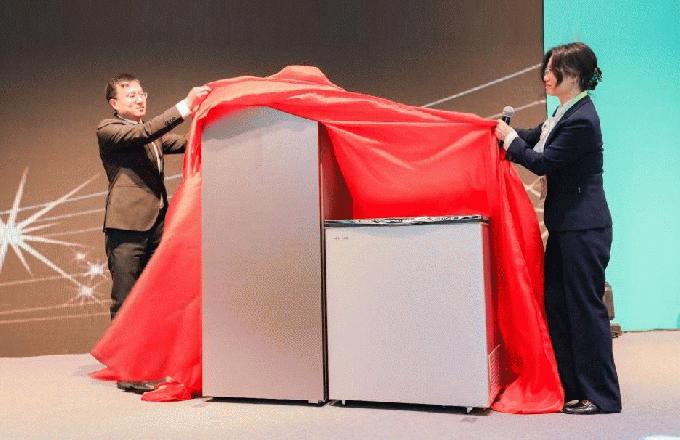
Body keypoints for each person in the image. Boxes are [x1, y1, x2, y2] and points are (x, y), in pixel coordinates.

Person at [494, 42, 621, 414]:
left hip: (585, 229)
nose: (546, 76)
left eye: (553, 70)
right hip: (567, 228)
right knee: (559, 306)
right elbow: (534, 136)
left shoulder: (582, 119)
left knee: (585, 311)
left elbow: (542, 160)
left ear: (575, 75)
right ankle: (571, 388)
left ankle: (602, 396)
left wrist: (509, 140)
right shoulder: (564, 112)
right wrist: (499, 133)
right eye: (546, 68)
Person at [97, 74, 210, 392]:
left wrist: (216, 120)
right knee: (127, 298)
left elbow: (189, 142)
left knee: (156, 296)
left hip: (158, 225)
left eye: (141, 93)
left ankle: (154, 362)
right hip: (126, 226)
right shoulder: (109, 129)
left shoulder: (151, 136)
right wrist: (186, 105)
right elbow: (146, 132)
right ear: (114, 103)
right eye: (130, 95)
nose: (139, 99)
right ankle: (128, 371)